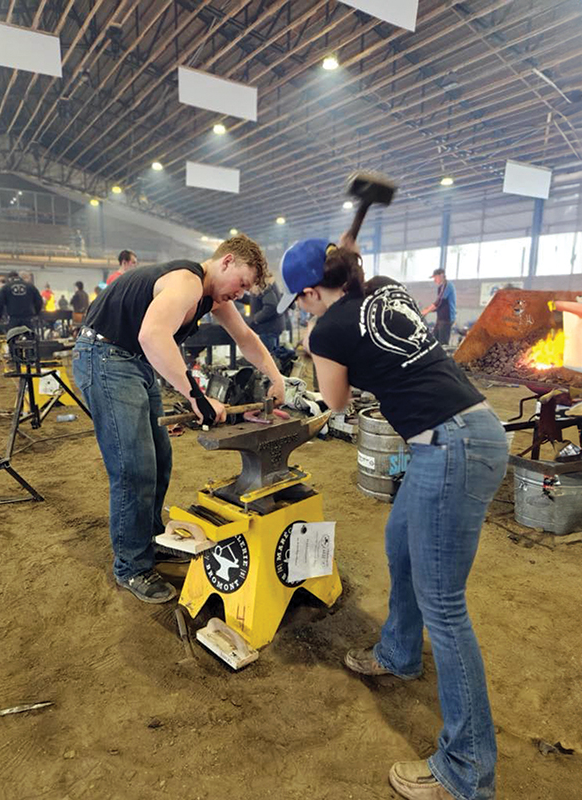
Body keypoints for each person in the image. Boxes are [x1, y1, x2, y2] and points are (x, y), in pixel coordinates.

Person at [277, 236, 508, 800]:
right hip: (468, 431)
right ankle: (400, 652)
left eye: (300, 301)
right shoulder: (384, 288)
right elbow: (367, 313)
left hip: (449, 445)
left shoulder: (326, 330)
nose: (302, 311)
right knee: (400, 540)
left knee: (445, 607)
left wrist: (313, 344)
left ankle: (467, 770)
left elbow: (336, 402)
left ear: (309, 293)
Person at [73, 234, 285, 604]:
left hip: (134, 361)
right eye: (241, 284)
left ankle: (150, 540)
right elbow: (152, 334)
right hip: (104, 357)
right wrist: (196, 396)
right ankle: (131, 566)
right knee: (134, 468)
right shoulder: (188, 281)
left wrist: (277, 377)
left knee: (160, 459)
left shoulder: (213, 297)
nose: (240, 294)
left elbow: (246, 337)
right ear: (226, 261)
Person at [249, 275, 285, 351]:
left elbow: (271, 306)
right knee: (273, 354)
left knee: (267, 355)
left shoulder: (263, 284)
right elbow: (257, 301)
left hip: (268, 329)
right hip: (272, 327)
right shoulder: (266, 281)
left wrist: (256, 318)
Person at [421, 267, 456, 345]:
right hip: (440, 318)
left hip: (446, 319)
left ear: (441, 275)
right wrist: (427, 309)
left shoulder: (447, 285)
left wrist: (426, 311)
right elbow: (439, 305)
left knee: (442, 343)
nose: (434, 280)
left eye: (435, 277)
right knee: (435, 340)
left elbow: (439, 302)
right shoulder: (441, 287)